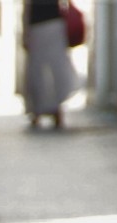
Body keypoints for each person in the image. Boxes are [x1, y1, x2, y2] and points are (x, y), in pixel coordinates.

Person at [22, 0, 77, 128]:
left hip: (38, 26)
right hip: (54, 24)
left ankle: (38, 110)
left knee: (37, 69)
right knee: (55, 66)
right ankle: (55, 109)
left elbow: (27, 8)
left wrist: (25, 33)